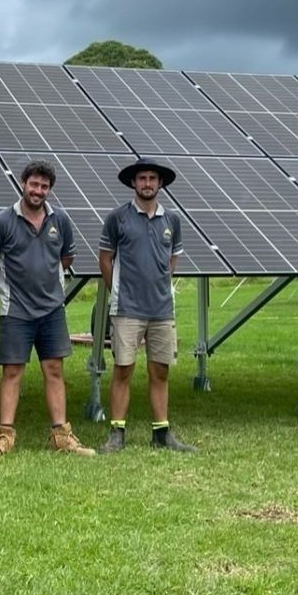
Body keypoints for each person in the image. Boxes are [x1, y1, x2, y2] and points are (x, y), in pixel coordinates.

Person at [0, 160, 94, 459]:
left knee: (54, 369)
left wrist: (45, 278)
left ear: (49, 189)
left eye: (44, 186)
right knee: (12, 371)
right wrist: (5, 280)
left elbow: (66, 258)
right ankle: (4, 436)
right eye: (33, 184)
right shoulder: (2, 222)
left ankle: (61, 436)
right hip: (16, 311)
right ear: (23, 184)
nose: (38, 190)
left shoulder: (60, 222)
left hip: (52, 310)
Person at [98, 158, 196, 452]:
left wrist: (160, 285)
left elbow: (172, 260)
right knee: (123, 369)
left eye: (153, 178)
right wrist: (117, 290)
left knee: (160, 371)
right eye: (142, 178)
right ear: (133, 183)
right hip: (127, 308)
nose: (148, 183)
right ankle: (117, 433)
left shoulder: (172, 221)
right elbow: (105, 259)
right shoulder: (118, 218)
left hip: (162, 310)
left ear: (161, 183)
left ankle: (161, 433)